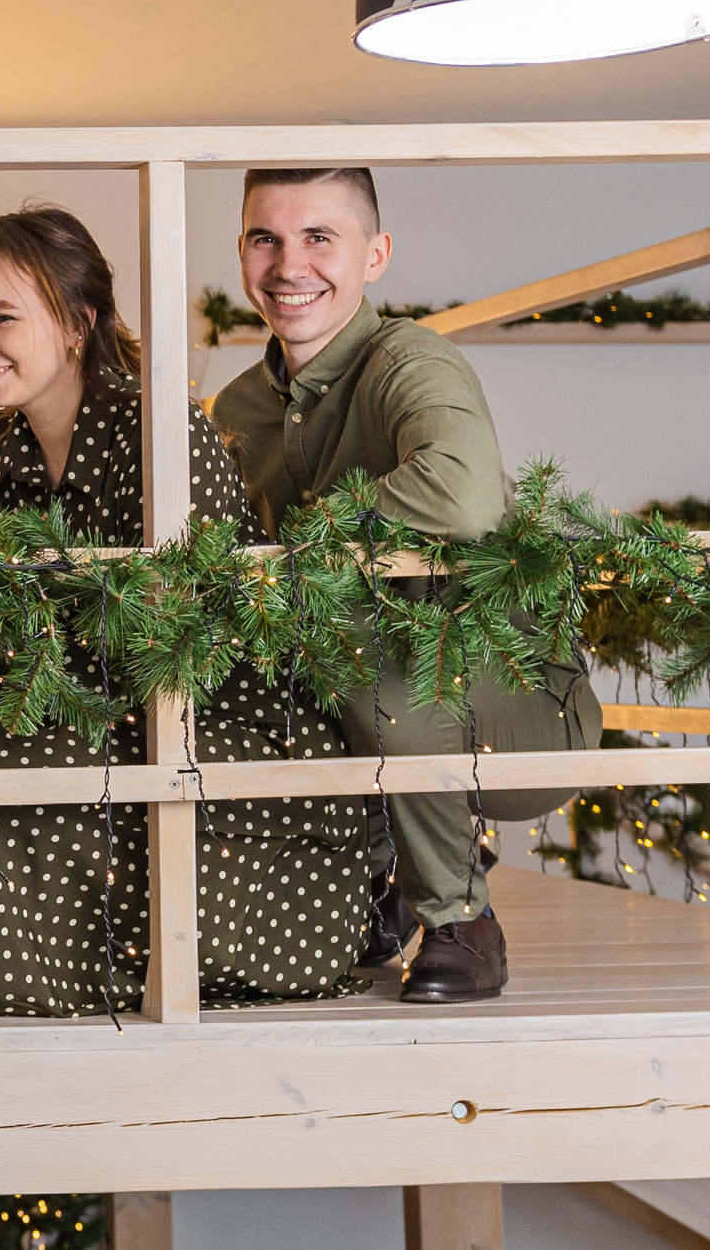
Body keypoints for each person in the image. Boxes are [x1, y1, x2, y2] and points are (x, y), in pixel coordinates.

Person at [0, 206, 368, 1017]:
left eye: (2, 318)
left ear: (77, 323)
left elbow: (182, 638)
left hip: (214, 715)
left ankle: (50, 970)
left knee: (18, 762)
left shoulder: (160, 434)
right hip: (68, 699)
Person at [211, 167, 600, 1004]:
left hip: (515, 704)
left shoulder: (410, 361)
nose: (289, 265)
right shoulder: (237, 409)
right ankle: (355, 890)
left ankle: (462, 918)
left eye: (320, 237)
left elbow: (463, 497)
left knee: (365, 652)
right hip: (355, 687)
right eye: (265, 238)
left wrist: (312, 536)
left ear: (375, 254)